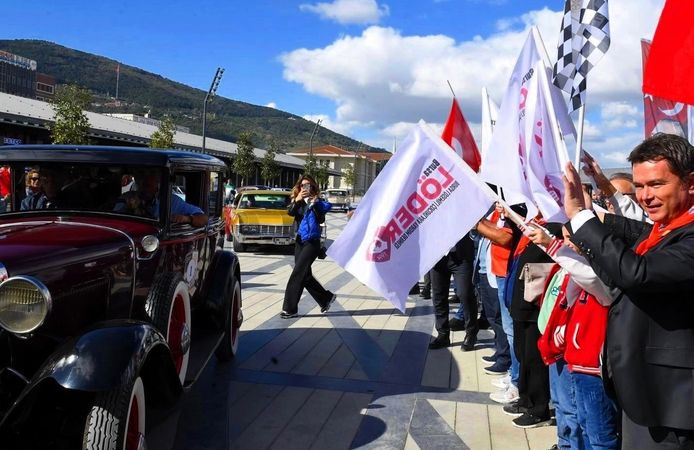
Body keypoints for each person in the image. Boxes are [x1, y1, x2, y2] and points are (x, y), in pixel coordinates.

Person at [563, 133, 694, 449]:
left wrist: (581, 217)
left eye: (657, 184)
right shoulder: (664, 228)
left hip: (672, 405)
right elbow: (641, 234)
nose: (645, 196)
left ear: (690, 183)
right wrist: (595, 219)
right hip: (643, 393)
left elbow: (636, 272)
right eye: (639, 186)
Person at [281, 175, 336, 319]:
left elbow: (320, 219)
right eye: (303, 185)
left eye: (309, 185)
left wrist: (316, 204)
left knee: (297, 273)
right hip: (300, 240)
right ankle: (325, 298)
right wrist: (298, 200)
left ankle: (290, 308)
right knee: (305, 275)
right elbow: (291, 213)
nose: (306, 187)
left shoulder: (318, 202)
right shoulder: (296, 200)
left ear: (313, 187)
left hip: (313, 242)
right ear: (299, 187)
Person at [427, 232, 478, 351]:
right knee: (438, 296)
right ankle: (443, 334)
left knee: (465, 294)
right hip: (437, 256)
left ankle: (471, 333)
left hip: (462, 255)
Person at [114, 173, 208, 226]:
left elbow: (203, 218)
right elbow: (115, 220)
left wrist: (187, 218)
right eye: (141, 184)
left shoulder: (172, 201)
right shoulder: (127, 197)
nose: (143, 189)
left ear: (158, 188)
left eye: (148, 185)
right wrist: (129, 209)